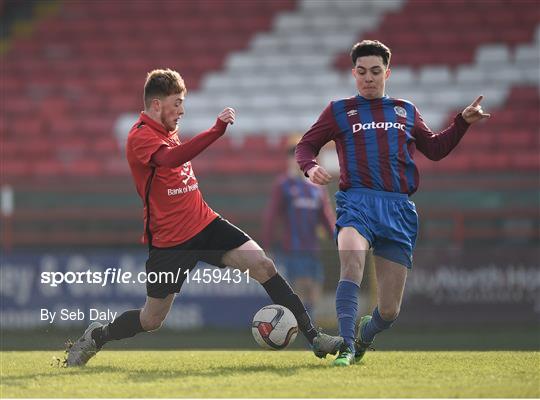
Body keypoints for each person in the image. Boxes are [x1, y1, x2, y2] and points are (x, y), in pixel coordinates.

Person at [66, 69, 343, 366]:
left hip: (205, 223)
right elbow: (171, 159)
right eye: (177, 103)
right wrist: (215, 132)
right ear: (157, 104)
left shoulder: (167, 128)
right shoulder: (140, 136)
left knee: (262, 264)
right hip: (171, 242)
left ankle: (315, 338)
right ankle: (98, 336)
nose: (182, 110)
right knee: (151, 319)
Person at [295, 40, 490, 366]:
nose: (368, 78)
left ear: (388, 72)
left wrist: (462, 123)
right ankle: (345, 346)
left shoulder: (406, 110)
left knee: (389, 310)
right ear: (353, 73)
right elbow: (306, 145)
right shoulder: (339, 110)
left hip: (397, 209)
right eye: (361, 72)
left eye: (375, 71)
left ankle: (365, 334)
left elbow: (435, 150)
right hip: (355, 202)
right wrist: (311, 167)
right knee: (351, 263)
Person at [262, 137, 335, 318]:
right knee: (300, 290)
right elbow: (271, 217)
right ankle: (303, 333)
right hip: (292, 249)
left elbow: (327, 219)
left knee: (315, 292)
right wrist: (267, 245)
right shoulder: (283, 185)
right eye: (292, 156)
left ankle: (307, 331)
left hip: (312, 249)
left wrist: (340, 239)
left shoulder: (317, 189)